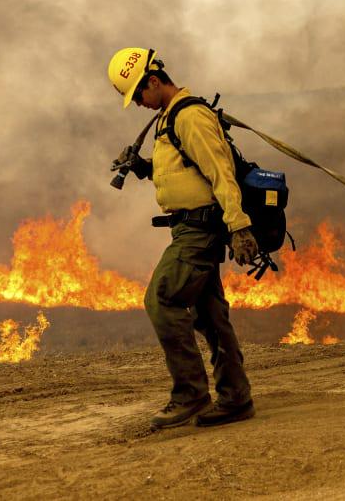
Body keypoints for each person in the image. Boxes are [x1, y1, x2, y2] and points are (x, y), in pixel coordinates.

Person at [107, 47, 259, 428]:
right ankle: (235, 397)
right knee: (210, 316)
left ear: (154, 82)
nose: (139, 103)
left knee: (161, 298)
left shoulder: (189, 116)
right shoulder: (169, 119)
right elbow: (183, 171)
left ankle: (190, 393)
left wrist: (240, 226)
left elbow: (220, 172)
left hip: (199, 229)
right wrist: (143, 167)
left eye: (139, 94)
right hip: (192, 225)